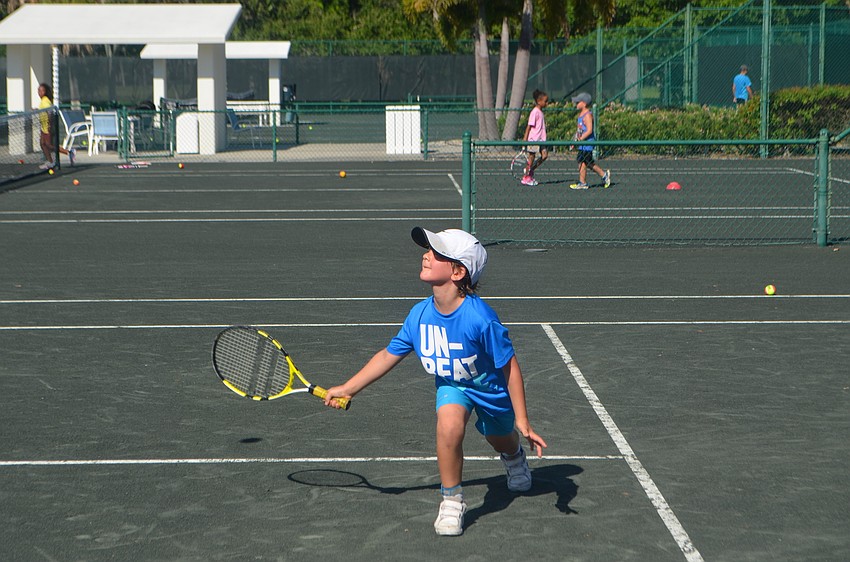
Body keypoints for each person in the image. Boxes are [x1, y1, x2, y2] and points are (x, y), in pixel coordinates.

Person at [323, 227, 547, 537]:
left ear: (458, 271)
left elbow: (509, 367)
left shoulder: (480, 318)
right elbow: (388, 355)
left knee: (501, 438)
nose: (426, 255)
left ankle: (513, 456)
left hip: (491, 391)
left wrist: (523, 421)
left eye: (437, 253)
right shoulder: (419, 315)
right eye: (428, 250)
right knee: (448, 424)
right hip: (452, 386)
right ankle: (452, 499)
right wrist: (348, 388)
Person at [570, 92, 610, 190]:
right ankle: (585, 181)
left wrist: (580, 139)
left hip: (587, 143)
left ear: (584, 103)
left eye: (578, 102)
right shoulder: (581, 115)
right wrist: (575, 140)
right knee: (584, 162)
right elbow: (579, 130)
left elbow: (589, 130)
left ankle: (602, 176)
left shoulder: (587, 115)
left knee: (586, 162)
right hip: (582, 144)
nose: (576, 104)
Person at [36, 83, 76, 170]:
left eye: (42, 90)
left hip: (47, 127)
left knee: (49, 145)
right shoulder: (43, 101)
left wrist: (49, 125)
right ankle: (50, 162)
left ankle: (69, 152)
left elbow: (50, 112)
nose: (40, 92)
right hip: (43, 127)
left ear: (45, 92)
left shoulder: (45, 100)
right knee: (42, 144)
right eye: (39, 90)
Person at [521, 89, 549, 186]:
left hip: (541, 140)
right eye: (545, 101)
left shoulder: (540, 112)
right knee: (531, 157)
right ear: (539, 101)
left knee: (544, 156)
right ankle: (526, 177)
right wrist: (525, 139)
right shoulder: (535, 112)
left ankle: (530, 170)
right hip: (533, 139)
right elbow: (529, 126)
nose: (547, 103)